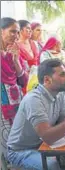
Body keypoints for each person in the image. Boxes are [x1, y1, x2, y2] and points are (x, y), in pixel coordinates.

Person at [6, 59, 65, 170]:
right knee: (51, 166)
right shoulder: (34, 100)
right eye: (62, 75)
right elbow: (48, 137)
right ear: (47, 80)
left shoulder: (59, 93)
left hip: (40, 144)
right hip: (20, 151)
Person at [0, 17, 29, 158]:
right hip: (2, 103)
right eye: (12, 32)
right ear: (1, 31)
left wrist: (16, 61)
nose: (16, 36)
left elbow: (24, 81)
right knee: (4, 139)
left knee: (17, 136)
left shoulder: (16, 53)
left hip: (17, 101)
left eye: (18, 33)